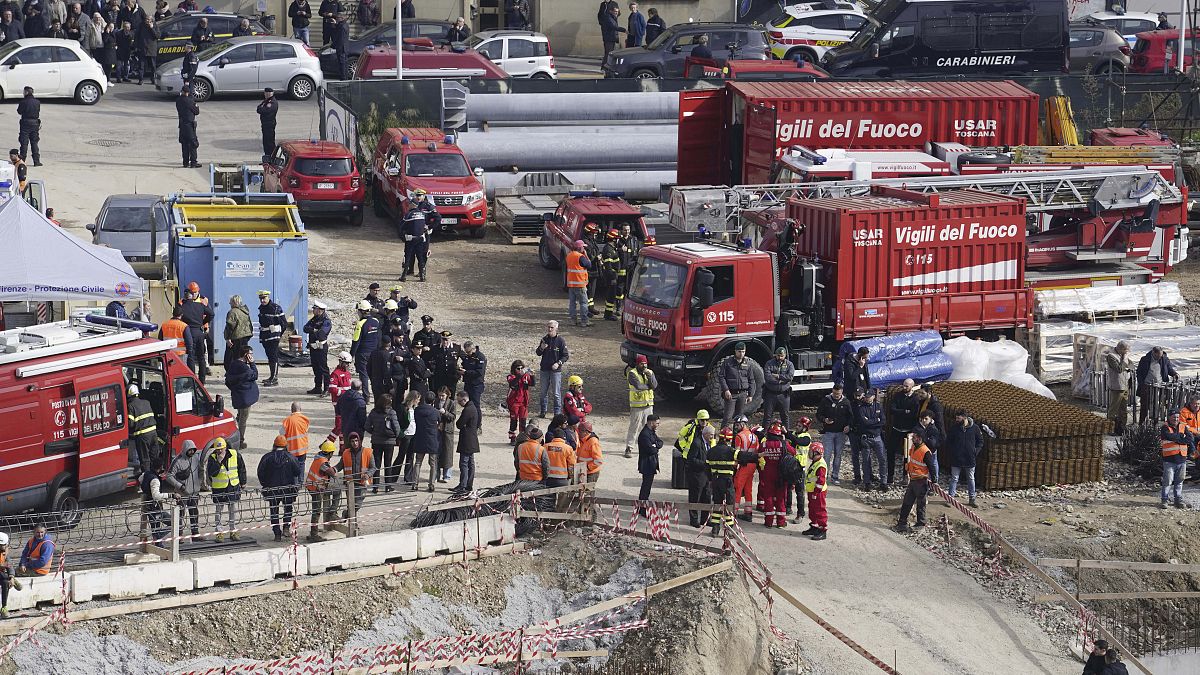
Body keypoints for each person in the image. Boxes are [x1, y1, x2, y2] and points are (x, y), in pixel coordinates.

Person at [258, 435, 303, 542]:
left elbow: (260, 473)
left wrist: (265, 484)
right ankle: (286, 528)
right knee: (288, 509)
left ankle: (277, 533)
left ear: (274, 445)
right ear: (286, 445)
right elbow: (297, 471)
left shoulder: (267, 457)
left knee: (274, 511)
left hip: (272, 489)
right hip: (288, 489)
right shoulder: (291, 457)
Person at [895, 431, 939, 533]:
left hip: (921, 481)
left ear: (919, 439)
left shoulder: (925, 452)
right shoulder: (914, 447)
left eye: (914, 437)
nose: (912, 439)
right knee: (907, 502)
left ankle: (920, 524)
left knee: (921, 504)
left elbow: (932, 467)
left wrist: (934, 481)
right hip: (913, 479)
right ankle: (902, 523)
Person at [164, 440, 204, 542]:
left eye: (193, 450)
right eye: (190, 450)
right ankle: (179, 535)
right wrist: (179, 486)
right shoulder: (177, 461)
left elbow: (201, 470)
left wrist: (199, 483)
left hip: (194, 493)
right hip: (182, 494)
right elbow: (169, 476)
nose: (192, 452)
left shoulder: (196, 458)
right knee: (180, 515)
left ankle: (195, 534)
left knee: (194, 513)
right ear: (185, 449)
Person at [304, 440, 341, 541]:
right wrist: (337, 468)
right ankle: (314, 534)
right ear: (330, 453)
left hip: (313, 486)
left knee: (316, 510)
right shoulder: (323, 463)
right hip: (316, 488)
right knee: (316, 511)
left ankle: (315, 530)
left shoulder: (318, 457)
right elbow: (333, 473)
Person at [817, 384, 852, 486]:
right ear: (832, 391)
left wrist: (848, 426)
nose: (837, 396)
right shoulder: (826, 400)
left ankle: (835, 476)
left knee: (838, 455)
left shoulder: (846, 402)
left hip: (841, 433)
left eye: (838, 394)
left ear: (842, 392)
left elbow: (850, 416)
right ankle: (824, 476)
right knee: (827, 455)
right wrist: (824, 420)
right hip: (828, 432)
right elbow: (818, 414)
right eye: (835, 394)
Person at [224, 345, 259, 449]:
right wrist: (252, 363)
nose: (252, 356)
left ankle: (234, 435)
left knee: (239, 417)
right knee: (243, 420)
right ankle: (240, 441)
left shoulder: (233, 364)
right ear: (246, 355)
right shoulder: (244, 368)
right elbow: (255, 375)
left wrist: (235, 390)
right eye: (251, 354)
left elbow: (228, 381)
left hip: (238, 397)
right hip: (245, 399)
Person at [945, 411, 982, 507]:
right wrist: (953, 451)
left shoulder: (975, 428)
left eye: (959, 418)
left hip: (970, 458)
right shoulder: (954, 428)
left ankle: (972, 499)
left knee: (971, 478)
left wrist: (975, 451)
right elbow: (949, 441)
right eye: (956, 418)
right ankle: (950, 498)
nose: (956, 420)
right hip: (956, 458)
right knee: (954, 478)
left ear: (965, 418)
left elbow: (980, 441)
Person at [887, 378, 919, 485]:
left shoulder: (915, 399)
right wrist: (905, 411)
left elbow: (913, 414)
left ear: (912, 386)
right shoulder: (898, 395)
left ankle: (905, 476)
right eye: (903, 385)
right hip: (896, 428)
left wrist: (900, 412)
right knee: (890, 452)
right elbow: (892, 409)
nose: (904, 387)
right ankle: (890, 476)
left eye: (907, 386)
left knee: (907, 454)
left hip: (908, 431)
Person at [367, 393, 400, 493]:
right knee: (388, 464)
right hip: (389, 441)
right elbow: (397, 428)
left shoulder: (373, 412)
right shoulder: (392, 412)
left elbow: (367, 426)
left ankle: (375, 486)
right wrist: (395, 436)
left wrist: (374, 432)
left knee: (376, 464)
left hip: (376, 441)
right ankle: (387, 486)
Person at [624, 355, 656, 458]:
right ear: (637, 364)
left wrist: (649, 377)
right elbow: (638, 386)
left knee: (650, 428)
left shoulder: (650, 372)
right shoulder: (632, 373)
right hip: (637, 406)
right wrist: (649, 386)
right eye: (642, 364)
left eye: (645, 364)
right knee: (634, 427)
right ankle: (629, 448)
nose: (644, 366)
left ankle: (648, 447)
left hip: (648, 405)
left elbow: (655, 385)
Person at [337, 431, 377, 514]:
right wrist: (333, 469)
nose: (355, 443)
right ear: (350, 442)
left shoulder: (368, 452)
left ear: (359, 441)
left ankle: (346, 514)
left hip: (362, 483)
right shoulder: (345, 453)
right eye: (352, 441)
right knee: (350, 505)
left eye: (356, 441)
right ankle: (352, 521)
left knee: (357, 504)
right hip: (350, 483)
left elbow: (373, 468)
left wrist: (368, 475)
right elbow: (340, 465)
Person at [706, 427, 736, 536]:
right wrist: (758, 456)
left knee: (717, 504)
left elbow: (707, 467)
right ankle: (729, 530)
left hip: (716, 480)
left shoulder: (711, 451)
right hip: (727, 481)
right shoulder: (731, 451)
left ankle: (715, 529)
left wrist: (711, 480)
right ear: (729, 440)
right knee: (729, 505)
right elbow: (743, 457)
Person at [856, 388, 888, 491]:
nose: (867, 398)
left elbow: (883, 421)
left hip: (877, 437)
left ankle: (883, 482)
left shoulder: (878, 406)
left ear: (873, 397)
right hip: (866, 438)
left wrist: (872, 421)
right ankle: (867, 482)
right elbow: (864, 422)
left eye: (869, 396)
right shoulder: (861, 408)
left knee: (882, 459)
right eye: (866, 397)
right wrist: (876, 420)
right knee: (866, 461)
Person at [1137, 346, 1178, 424]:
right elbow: (1139, 373)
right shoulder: (1145, 359)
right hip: (1147, 386)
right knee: (1144, 406)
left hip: (1160, 387)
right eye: (1158, 356)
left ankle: (1154, 424)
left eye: (1161, 356)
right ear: (1153, 353)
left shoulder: (1164, 359)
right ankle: (1141, 424)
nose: (1159, 358)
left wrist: (1174, 374)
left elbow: (1169, 369)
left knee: (1157, 406)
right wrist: (1142, 384)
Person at [536, 320, 569, 417]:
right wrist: (541, 348)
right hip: (544, 369)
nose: (550, 329)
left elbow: (565, 356)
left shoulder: (560, 341)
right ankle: (543, 411)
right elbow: (538, 353)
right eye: (548, 327)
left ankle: (557, 413)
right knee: (543, 392)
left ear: (556, 329)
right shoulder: (544, 339)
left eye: (552, 327)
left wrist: (558, 363)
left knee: (556, 393)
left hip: (555, 371)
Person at [1160, 411, 1192, 509]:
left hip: (1182, 459)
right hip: (1169, 459)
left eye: (1177, 417)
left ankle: (1178, 499)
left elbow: (1189, 439)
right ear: (1169, 417)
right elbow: (1168, 436)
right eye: (1174, 417)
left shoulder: (1183, 426)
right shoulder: (1165, 427)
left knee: (1179, 481)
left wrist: (1177, 439)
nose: (1176, 419)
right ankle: (1164, 500)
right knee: (1167, 481)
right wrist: (1181, 436)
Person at [719, 342, 756, 426]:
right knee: (727, 417)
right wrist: (726, 390)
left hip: (743, 394)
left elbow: (751, 380)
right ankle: (723, 433)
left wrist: (751, 395)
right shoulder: (728, 362)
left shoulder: (748, 363)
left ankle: (737, 434)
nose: (741, 354)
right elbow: (721, 377)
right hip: (731, 394)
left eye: (743, 351)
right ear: (735, 351)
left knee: (740, 418)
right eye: (739, 351)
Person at [399, 193, 433, 282]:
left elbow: (402, 227)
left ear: (412, 205)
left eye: (409, 204)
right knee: (420, 257)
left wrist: (403, 237)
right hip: (421, 239)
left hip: (410, 239)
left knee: (408, 256)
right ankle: (422, 276)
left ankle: (403, 276)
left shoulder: (409, 214)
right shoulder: (422, 214)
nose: (408, 205)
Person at [126, 384, 160, 472]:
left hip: (143, 436)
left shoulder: (131, 406)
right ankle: (156, 476)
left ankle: (148, 476)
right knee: (154, 458)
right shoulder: (146, 402)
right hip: (154, 434)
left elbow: (130, 424)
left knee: (145, 460)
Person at [732, 416, 759, 521]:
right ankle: (748, 513)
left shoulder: (739, 436)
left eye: (737, 425)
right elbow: (756, 451)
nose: (736, 427)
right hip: (753, 465)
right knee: (748, 489)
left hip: (743, 465)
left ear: (743, 424)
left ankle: (733, 512)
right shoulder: (754, 436)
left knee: (738, 488)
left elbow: (737, 453)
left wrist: (734, 466)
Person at [412, 391, 440, 490]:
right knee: (433, 463)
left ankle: (415, 483)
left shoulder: (417, 410)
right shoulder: (435, 411)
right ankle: (431, 484)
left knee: (418, 462)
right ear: (433, 401)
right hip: (432, 438)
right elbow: (439, 422)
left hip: (420, 437)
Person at [256, 290, 285, 387]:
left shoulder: (275, 308)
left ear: (268, 297)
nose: (262, 300)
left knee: (273, 356)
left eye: (264, 298)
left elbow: (283, 323)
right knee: (269, 356)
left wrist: (278, 335)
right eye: (261, 299)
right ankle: (271, 376)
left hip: (273, 336)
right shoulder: (261, 308)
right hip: (265, 336)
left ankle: (274, 379)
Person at [1105, 341, 1133, 435]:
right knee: (1113, 409)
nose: (1127, 352)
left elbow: (1131, 365)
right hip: (1117, 386)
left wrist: (1126, 364)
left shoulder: (1123, 355)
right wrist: (1124, 360)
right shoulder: (1111, 356)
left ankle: (1122, 427)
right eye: (1126, 350)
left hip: (1125, 385)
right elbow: (1119, 369)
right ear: (1121, 349)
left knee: (1123, 409)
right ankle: (1110, 429)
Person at [304, 300, 332, 394]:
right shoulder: (314, 319)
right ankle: (318, 387)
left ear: (320, 310)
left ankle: (327, 388)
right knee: (315, 367)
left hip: (320, 347)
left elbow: (322, 334)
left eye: (315, 309)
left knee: (323, 368)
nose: (313, 310)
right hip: (313, 346)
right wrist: (314, 329)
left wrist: (313, 331)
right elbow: (305, 328)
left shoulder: (326, 321)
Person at [140, 459, 171, 543]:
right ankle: (158, 537)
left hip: (148, 506)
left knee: (155, 528)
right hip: (155, 507)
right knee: (175, 523)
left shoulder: (146, 474)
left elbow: (140, 479)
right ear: (160, 468)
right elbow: (156, 496)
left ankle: (157, 539)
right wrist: (171, 495)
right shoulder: (155, 480)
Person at [763, 347, 794, 428]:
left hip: (784, 394)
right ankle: (765, 433)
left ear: (785, 355)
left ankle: (786, 434)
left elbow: (790, 377)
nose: (780, 358)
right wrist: (780, 381)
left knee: (785, 416)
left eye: (781, 356)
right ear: (775, 355)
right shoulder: (769, 363)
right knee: (767, 416)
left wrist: (778, 376)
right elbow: (768, 377)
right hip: (770, 394)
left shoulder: (789, 364)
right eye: (778, 355)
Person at [506, 360, 535, 444]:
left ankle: (522, 438)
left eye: (522, 368)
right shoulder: (511, 376)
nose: (520, 370)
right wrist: (520, 375)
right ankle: (512, 437)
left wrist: (532, 376)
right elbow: (512, 383)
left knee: (523, 421)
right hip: (514, 402)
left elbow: (532, 384)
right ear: (514, 369)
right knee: (514, 420)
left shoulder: (525, 376)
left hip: (524, 402)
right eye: (518, 368)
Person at [637, 414, 663, 505]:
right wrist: (656, 448)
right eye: (657, 423)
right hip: (646, 464)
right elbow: (650, 450)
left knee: (647, 486)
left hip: (651, 463)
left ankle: (643, 504)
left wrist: (655, 445)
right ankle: (642, 507)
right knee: (646, 487)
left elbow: (660, 442)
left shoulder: (651, 432)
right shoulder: (645, 434)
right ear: (651, 423)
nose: (658, 425)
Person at [565, 239, 592, 327]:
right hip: (580, 284)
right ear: (580, 248)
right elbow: (589, 265)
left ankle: (573, 320)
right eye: (583, 247)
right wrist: (586, 255)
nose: (584, 249)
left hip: (571, 284)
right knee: (583, 303)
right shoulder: (580, 257)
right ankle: (584, 321)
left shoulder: (569, 255)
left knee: (572, 303)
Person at [461, 341, 487, 428]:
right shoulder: (468, 356)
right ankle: (469, 422)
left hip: (476, 385)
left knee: (475, 405)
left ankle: (478, 425)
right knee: (467, 404)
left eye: (469, 352)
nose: (468, 354)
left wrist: (466, 372)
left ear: (473, 349)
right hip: (468, 383)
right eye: (466, 352)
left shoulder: (480, 357)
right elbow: (465, 364)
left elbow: (479, 372)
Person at [221, 294, 252, 366]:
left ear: (234, 302)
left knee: (230, 359)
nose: (229, 303)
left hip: (235, 338)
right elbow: (249, 325)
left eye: (230, 301)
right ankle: (242, 370)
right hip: (245, 337)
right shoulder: (245, 311)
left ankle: (232, 371)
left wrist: (227, 338)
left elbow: (229, 326)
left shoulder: (232, 312)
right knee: (243, 356)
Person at [337, 380, 368, 447]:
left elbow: (338, 411)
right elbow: (362, 418)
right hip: (357, 429)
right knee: (357, 449)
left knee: (347, 449)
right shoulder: (360, 401)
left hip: (345, 427)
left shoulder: (342, 397)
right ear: (360, 387)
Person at [176, 83, 200, 168]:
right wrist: (195, 104)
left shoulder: (178, 100)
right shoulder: (190, 101)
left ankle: (185, 162)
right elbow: (196, 111)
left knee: (184, 144)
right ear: (188, 92)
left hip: (182, 125)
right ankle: (193, 162)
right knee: (193, 143)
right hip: (189, 125)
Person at [16, 87, 40, 167]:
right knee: (34, 142)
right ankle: (36, 161)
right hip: (35, 123)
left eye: (24, 92)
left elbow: (19, 111)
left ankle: (22, 161)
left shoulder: (23, 102)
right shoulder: (37, 102)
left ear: (26, 92)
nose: (23, 93)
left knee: (24, 143)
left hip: (25, 123)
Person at [0, 532, 21, 618]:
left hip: (1, 575)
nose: (5, 546)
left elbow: (9, 564)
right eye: (3, 545)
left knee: (6, 583)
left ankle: (4, 607)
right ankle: (9, 578)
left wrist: (11, 576)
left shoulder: (4, 552)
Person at [256, 88, 278, 157]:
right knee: (265, 141)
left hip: (269, 124)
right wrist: (261, 108)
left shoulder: (272, 102)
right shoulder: (266, 101)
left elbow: (264, 110)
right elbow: (258, 108)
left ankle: (271, 156)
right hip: (265, 124)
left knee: (269, 142)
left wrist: (261, 108)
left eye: (266, 93)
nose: (265, 94)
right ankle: (267, 156)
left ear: (269, 93)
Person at [133, 15, 155, 84]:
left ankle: (153, 79)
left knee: (153, 66)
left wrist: (152, 28)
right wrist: (136, 46)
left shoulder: (154, 25)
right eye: (146, 19)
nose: (147, 20)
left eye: (149, 19)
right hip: (142, 48)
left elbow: (157, 36)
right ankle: (141, 79)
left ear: (152, 20)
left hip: (151, 49)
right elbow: (136, 36)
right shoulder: (141, 25)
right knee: (141, 66)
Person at [329, 13, 348, 79]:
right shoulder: (344, 24)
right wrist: (335, 25)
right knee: (343, 62)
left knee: (342, 62)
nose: (336, 19)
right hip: (343, 47)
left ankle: (343, 77)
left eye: (337, 18)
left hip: (341, 47)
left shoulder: (342, 27)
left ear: (342, 18)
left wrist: (334, 45)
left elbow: (339, 37)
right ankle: (344, 76)